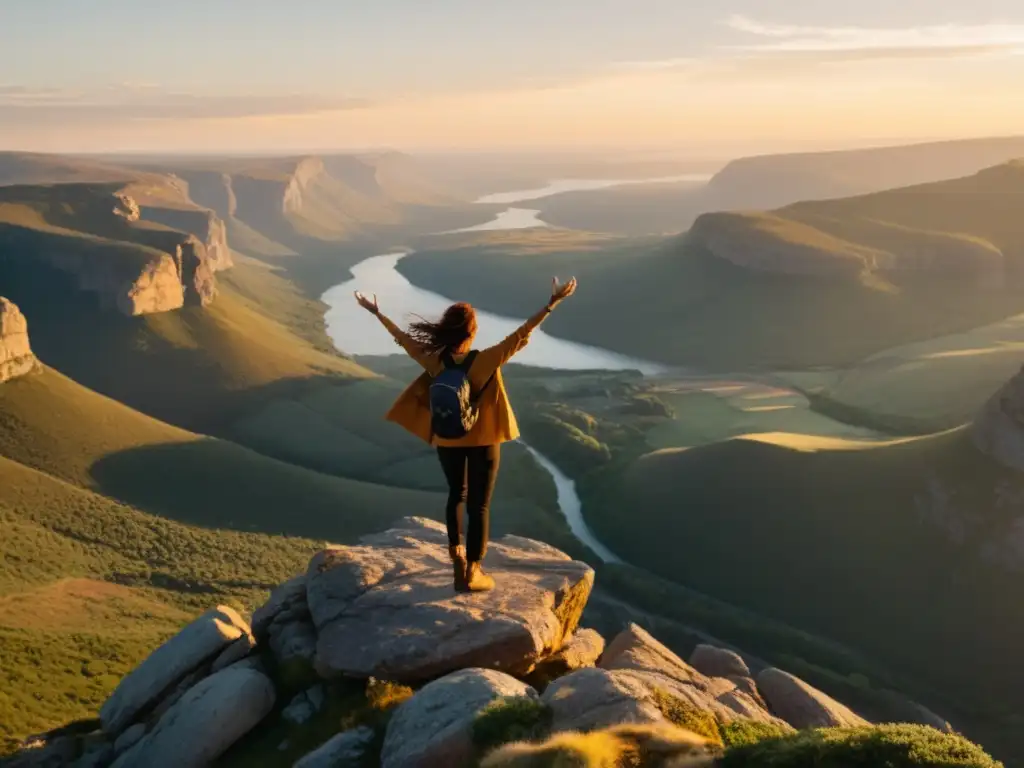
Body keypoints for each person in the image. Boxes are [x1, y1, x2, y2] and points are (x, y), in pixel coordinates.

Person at [354, 276, 578, 593]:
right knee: (479, 505)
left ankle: (455, 553)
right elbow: (523, 332)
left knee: (455, 495)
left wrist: (376, 313)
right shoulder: (486, 360)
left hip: (448, 438)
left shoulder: (434, 361)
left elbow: (403, 339)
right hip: (484, 440)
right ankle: (473, 568)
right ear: (471, 332)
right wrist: (553, 302)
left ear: (446, 329)